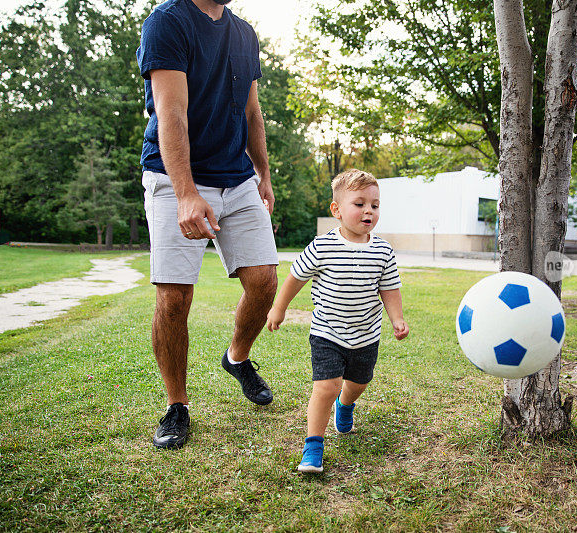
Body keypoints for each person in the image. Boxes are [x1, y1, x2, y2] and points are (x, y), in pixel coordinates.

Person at [136, 0, 279, 450]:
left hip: (237, 178)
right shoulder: (167, 23)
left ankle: (237, 358)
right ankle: (177, 405)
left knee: (264, 281)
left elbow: (252, 113)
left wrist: (264, 175)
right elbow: (170, 112)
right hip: (174, 174)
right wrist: (185, 193)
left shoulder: (244, 34)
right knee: (175, 296)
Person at [266, 169, 409, 473]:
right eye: (359, 204)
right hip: (327, 333)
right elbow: (294, 278)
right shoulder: (322, 246)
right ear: (337, 210)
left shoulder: (383, 250)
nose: (368, 210)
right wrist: (279, 308)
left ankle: (346, 406)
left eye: (374, 204)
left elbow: (389, 288)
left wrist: (396, 318)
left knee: (359, 382)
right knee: (326, 386)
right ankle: (313, 446)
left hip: (366, 335)